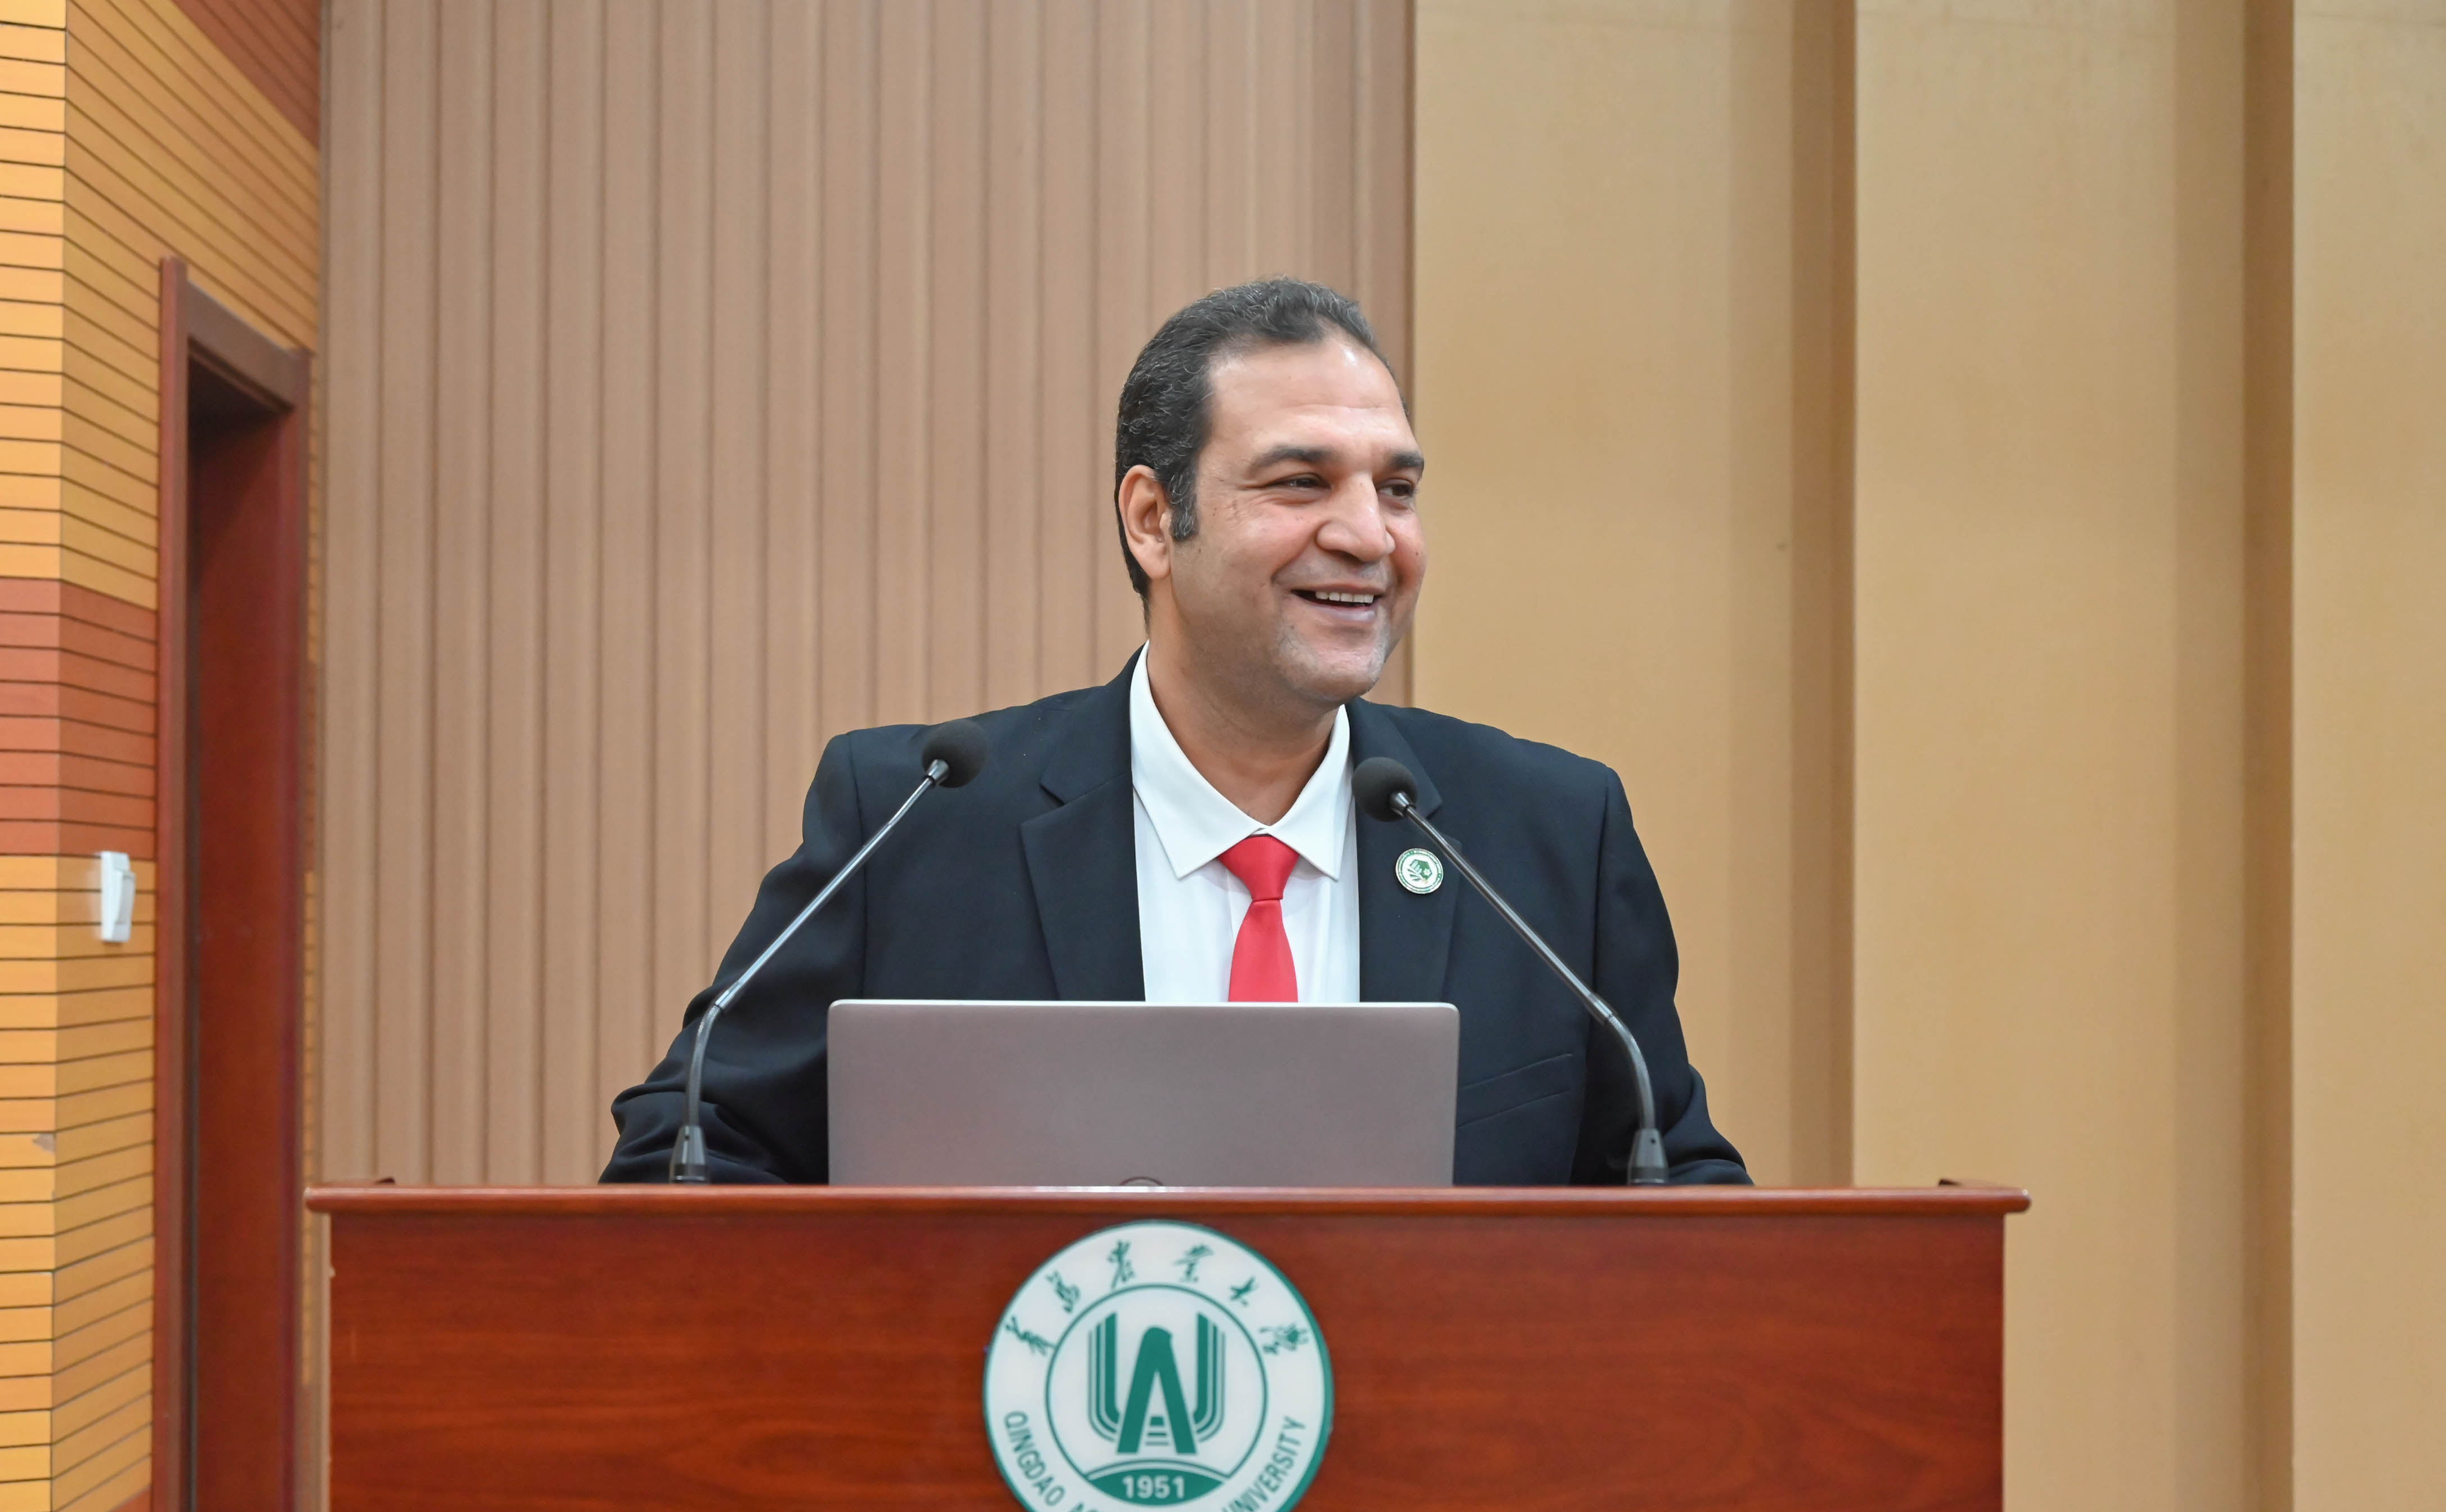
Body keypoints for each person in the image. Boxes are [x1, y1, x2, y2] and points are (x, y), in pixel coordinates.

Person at [603, 279, 1749, 1186]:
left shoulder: (1546, 838)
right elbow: (688, 1155)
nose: (1369, 536)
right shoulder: (919, 821)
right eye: (1300, 482)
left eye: (1396, 489)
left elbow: (1673, 1194)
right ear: (1154, 520)